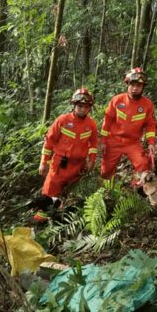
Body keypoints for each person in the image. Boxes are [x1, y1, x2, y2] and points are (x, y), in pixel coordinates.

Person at [35, 88, 98, 221]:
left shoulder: (91, 125)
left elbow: (93, 145)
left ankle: (62, 220)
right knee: (49, 192)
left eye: (86, 107)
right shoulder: (62, 121)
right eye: (80, 106)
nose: (83, 109)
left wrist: (91, 161)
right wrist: (43, 162)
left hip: (78, 167)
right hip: (60, 164)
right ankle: (41, 222)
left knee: (71, 197)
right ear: (74, 105)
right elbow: (49, 143)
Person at [100, 67, 157, 184]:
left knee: (143, 164)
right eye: (132, 85)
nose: (135, 88)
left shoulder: (147, 105)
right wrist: (103, 141)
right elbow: (107, 120)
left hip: (133, 142)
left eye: (139, 86)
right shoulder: (117, 100)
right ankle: (109, 191)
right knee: (105, 172)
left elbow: (150, 125)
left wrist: (151, 143)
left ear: (143, 87)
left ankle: (135, 189)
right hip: (114, 140)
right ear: (127, 84)